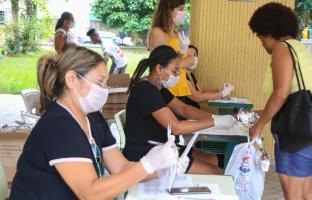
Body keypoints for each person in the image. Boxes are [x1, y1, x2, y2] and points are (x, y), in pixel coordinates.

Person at [10, 46, 180, 199]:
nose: (104, 89)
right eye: (99, 82)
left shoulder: (93, 118)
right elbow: (89, 193)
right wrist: (148, 164)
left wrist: (163, 168)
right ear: (72, 79)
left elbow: (120, 168)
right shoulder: (59, 126)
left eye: (106, 83)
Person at [248, 3, 312, 200]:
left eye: (260, 35)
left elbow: (280, 94)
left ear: (269, 31)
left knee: (293, 193)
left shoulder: (282, 49)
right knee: (305, 191)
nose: (261, 42)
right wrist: (260, 113)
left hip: (302, 133)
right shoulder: (300, 50)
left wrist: (259, 125)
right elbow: (291, 100)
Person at [124, 45, 237, 175]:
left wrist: (213, 117)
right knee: (215, 172)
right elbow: (176, 127)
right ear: (159, 68)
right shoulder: (146, 90)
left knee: (213, 159)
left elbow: (184, 109)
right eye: (174, 71)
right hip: (147, 152)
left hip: (162, 147)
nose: (177, 76)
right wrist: (216, 121)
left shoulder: (158, 88)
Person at [147, 0, 196, 100]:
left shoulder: (177, 34)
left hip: (180, 89)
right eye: (181, 9)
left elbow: (179, 63)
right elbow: (169, 64)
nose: (184, 13)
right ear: (169, 11)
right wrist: (188, 58)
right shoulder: (157, 32)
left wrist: (186, 60)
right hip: (166, 90)